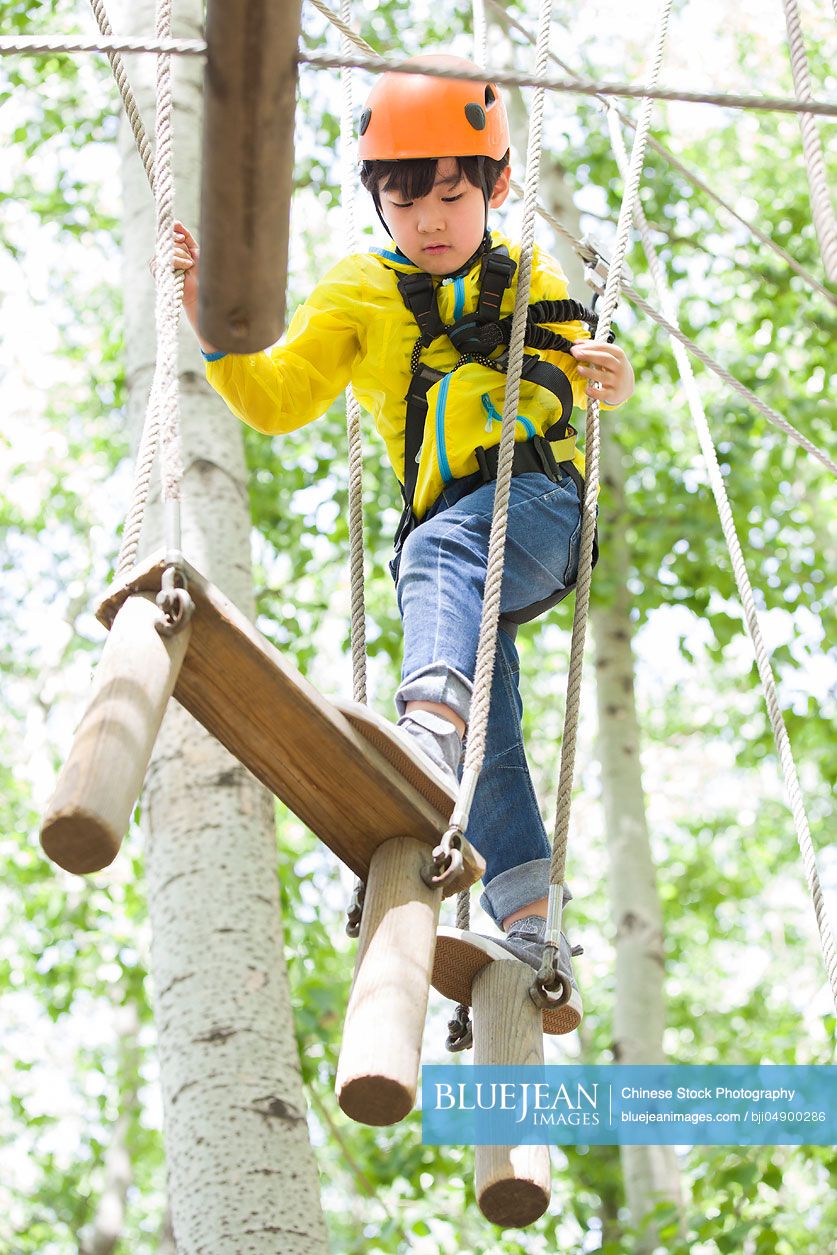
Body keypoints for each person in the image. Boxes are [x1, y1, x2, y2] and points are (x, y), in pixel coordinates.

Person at [172, 55, 634, 1031]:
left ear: (495, 189)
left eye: (453, 198)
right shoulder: (357, 291)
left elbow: (582, 367)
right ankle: (532, 920)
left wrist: (609, 372)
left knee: (438, 558)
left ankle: (428, 730)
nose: (430, 221)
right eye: (407, 201)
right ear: (378, 203)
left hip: (541, 514)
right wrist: (213, 324)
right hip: (459, 544)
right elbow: (277, 399)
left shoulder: (528, 275)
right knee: (492, 714)